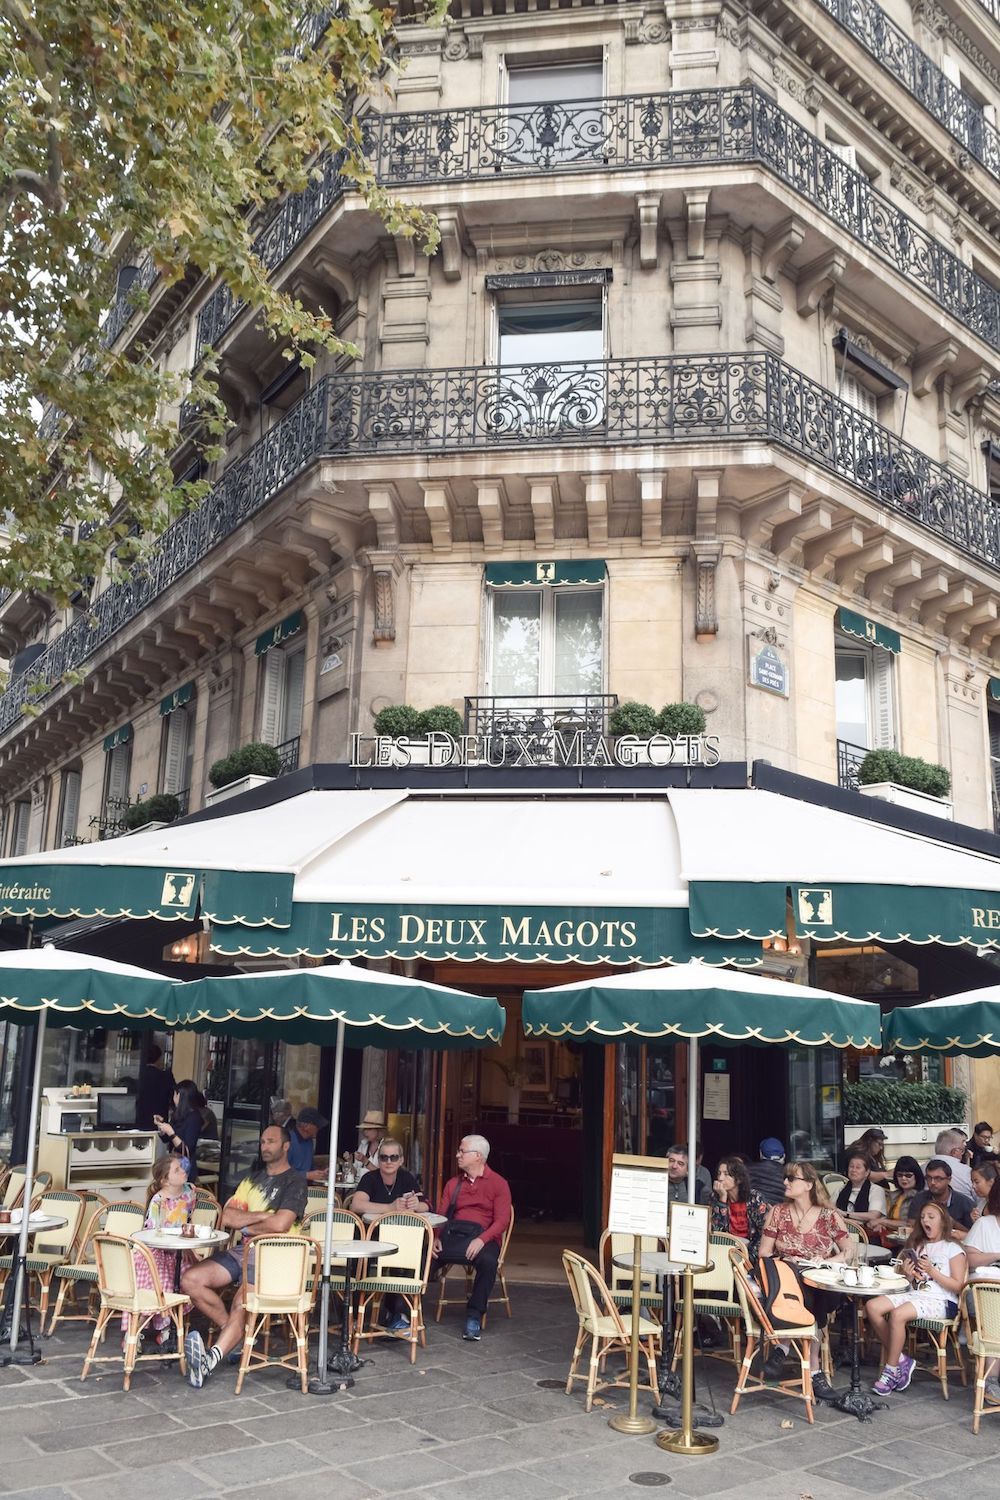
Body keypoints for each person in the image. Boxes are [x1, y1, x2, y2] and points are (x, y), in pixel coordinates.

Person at [182, 1124, 307, 1387]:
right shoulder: (252, 1180)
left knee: (242, 1303)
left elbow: (281, 1225)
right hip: (243, 1250)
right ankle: (236, 1335)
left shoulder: (295, 1180)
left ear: (286, 1146)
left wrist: (247, 1224)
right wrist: (263, 1216)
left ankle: (210, 1360)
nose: (264, 1146)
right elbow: (227, 1217)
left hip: (276, 1255)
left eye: (271, 1141)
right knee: (191, 1280)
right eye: (262, 1141)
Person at [758, 1161, 850, 1402]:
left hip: (818, 1278)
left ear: (808, 1184)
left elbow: (850, 1249)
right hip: (785, 1280)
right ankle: (815, 1370)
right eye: (785, 1177)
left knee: (815, 1290)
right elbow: (764, 1253)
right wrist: (786, 1261)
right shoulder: (777, 1212)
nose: (785, 1182)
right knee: (801, 1290)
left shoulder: (829, 1215)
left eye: (792, 1178)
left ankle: (782, 1348)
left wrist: (831, 1260)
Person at [865, 1201, 966, 1395]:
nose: (925, 1220)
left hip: (942, 1300)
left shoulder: (953, 1248)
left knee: (897, 1315)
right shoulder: (920, 1245)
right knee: (872, 1306)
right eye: (923, 1217)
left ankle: (891, 1370)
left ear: (943, 1221)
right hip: (917, 1294)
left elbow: (958, 1285)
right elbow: (913, 1282)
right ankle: (902, 1359)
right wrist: (909, 1274)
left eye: (931, 1217)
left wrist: (932, 1271)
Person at [434, 1134, 512, 1343]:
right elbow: (441, 1215)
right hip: (453, 1237)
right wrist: (435, 1237)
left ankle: (474, 1315)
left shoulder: (498, 1183)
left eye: (462, 1151)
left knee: (488, 1262)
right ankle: (401, 1312)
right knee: (421, 1256)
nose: (458, 1155)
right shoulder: (453, 1183)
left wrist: (482, 1239)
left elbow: (502, 1221)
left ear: (477, 1156)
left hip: (483, 1238)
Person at [351, 1137, 430, 1334]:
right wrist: (389, 1207)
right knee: (356, 1263)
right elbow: (357, 1204)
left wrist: (415, 1205)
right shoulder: (370, 1178)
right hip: (372, 1238)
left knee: (413, 1255)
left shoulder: (407, 1178)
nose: (388, 1161)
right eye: (384, 1157)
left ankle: (396, 1312)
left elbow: (426, 1204)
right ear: (378, 1159)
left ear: (401, 1160)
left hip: (398, 1239)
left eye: (393, 1157)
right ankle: (352, 1313)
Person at [126, 1154, 194, 1347]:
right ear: (165, 1180)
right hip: (156, 1251)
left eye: (182, 1168)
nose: (183, 1172)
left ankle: (167, 1328)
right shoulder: (158, 1200)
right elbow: (152, 1233)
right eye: (177, 1170)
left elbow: (188, 1218)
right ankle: (135, 1331)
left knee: (188, 1276)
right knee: (160, 1281)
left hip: (179, 1249)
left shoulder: (190, 1192)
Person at [963, 1173, 1000, 1405]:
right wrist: (996, 1255)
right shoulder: (985, 1224)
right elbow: (971, 1259)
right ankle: (992, 1380)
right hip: (983, 1292)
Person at [709, 1157, 769, 1258]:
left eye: (726, 1174)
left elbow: (763, 1232)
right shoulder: (715, 1197)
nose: (720, 1178)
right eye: (719, 1173)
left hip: (751, 1251)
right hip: (725, 1251)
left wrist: (749, 1256)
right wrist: (722, 1200)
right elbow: (716, 1233)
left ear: (739, 1179)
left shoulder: (754, 1198)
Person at [905, 1157, 975, 1238]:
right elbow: (911, 1225)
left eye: (938, 1178)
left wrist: (954, 1224)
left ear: (949, 1180)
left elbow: (973, 1235)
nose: (932, 1182)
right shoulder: (919, 1198)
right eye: (929, 1178)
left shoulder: (964, 1202)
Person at [154, 1079, 205, 1184]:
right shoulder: (177, 1115)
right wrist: (161, 1126)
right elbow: (166, 1139)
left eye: (175, 1095)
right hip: (174, 1165)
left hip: (185, 1167)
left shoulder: (194, 1117)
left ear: (180, 1096)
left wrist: (171, 1133)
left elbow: (187, 1148)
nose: (173, 1098)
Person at [835, 1151, 887, 1228]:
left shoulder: (876, 1190)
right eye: (851, 1166)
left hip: (866, 1232)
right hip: (842, 1229)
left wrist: (846, 1214)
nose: (853, 1170)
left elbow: (873, 1216)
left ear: (867, 1172)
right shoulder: (841, 1189)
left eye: (858, 1167)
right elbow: (830, 1210)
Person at [135, 1044, 176, 1131]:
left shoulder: (140, 1076)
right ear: (159, 1059)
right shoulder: (166, 1076)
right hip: (160, 1118)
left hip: (141, 1118)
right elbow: (173, 1097)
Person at [285, 1105, 328, 1181]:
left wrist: (320, 1173)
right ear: (305, 1125)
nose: (319, 1129)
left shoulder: (309, 1142)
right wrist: (307, 1175)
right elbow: (281, 1173)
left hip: (306, 1187)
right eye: (317, 1125)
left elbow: (309, 1169)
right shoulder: (287, 1141)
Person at [935, 1128, 975, 1200]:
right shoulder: (966, 1172)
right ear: (954, 1152)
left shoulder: (921, 1169)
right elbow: (980, 1197)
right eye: (962, 1151)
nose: (963, 1154)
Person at [748, 1138, 787, 1206]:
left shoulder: (748, 1170)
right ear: (784, 1156)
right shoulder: (789, 1175)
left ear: (760, 1154)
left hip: (755, 1213)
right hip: (779, 1213)